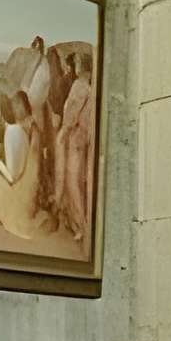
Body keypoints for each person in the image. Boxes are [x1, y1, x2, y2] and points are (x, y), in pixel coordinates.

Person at [0, 88, 51, 238]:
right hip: (23, 171)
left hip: (29, 178)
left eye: (17, 105)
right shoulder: (19, 126)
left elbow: (34, 163)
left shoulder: (31, 127)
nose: (14, 109)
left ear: (24, 107)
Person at [57, 46, 95, 246]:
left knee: (72, 181)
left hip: (76, 136)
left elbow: (71, 112)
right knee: (75, 181)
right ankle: (76, 223)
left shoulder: (80, 85)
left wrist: (64, 130)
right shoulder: (86, 85)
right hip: (80, 136)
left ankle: (81, 225)